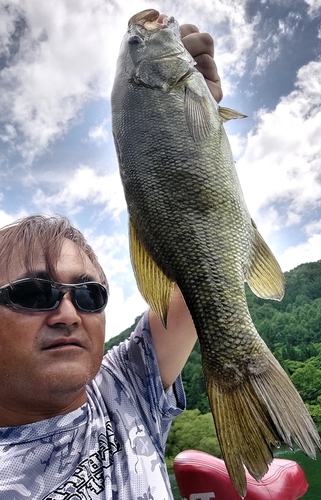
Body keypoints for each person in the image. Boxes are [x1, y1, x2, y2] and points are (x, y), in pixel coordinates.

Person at [0, 18, 222, 500]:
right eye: (33, 294)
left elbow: (200, 279)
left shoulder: (124, 386)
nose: (67, 313)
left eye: (88, 294)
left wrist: (188, 131)